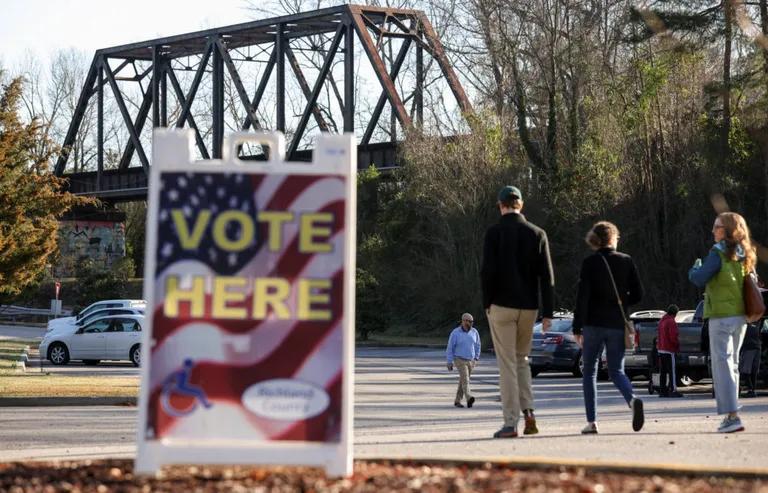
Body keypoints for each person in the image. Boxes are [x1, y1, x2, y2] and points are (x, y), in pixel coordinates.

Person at [481, 185, 554, 438]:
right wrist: (548, 313)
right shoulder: (537, 233)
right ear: (521, 205)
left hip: (501, 305)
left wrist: (486, 303)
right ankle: (529, 412)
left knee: (507, 364)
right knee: (522, 360)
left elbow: (487, 272)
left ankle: (510, 422)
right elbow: (547, 277)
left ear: (501, 205)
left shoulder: (494, 233)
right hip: (529, 307)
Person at [572, 221, 644, 435]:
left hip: (593, 324)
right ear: (614, 239)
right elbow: (639, 294)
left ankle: (592, 422)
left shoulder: (589, 263)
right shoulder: (626, 261)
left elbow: (582, 297)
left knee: (589, 372)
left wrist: (577, 327)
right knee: (616, 370)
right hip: (616, 324)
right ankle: (632, 399)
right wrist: (622, 299)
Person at [689, 211, 756, 433]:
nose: (712, 230)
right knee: (733, 364)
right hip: (741, 317)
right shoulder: (745, 252)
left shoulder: (717, 253)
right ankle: (731, 414)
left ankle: (732, 416)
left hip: (721, 316)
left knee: (722, 365)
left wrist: (695, 266)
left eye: (716, 226)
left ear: (726, 230)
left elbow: (699, 278)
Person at [446, 313, 481, 408]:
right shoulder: (455, 333)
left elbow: (478, 345)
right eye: (467, 321)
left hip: (471, 360)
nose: (469, 323)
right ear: (462, 321)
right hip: (459, 359)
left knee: (463, 380)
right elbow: (450, 348)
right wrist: (449, 361)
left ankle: (457, 401)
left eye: (471, 321)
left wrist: (476, 358)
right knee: (465, 379)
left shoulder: (474, 332)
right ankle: (469, 398)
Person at [657, 304, 683, 398]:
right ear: (675, 313)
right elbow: (673, 337)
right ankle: (673, 390)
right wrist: (677, 347)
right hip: (669, 350)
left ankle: (662, 391)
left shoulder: (661, 321)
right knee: (672, 371)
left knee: (663, 372)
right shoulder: (671, 322)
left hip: (661, 350)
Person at [739, 319, 762, 398]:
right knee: (751, 371)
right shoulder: (757, 322)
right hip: (755, 347)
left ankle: (751, 390)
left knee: (748, 371)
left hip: (750, 348)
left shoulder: (745, 322)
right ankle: (752, 390)